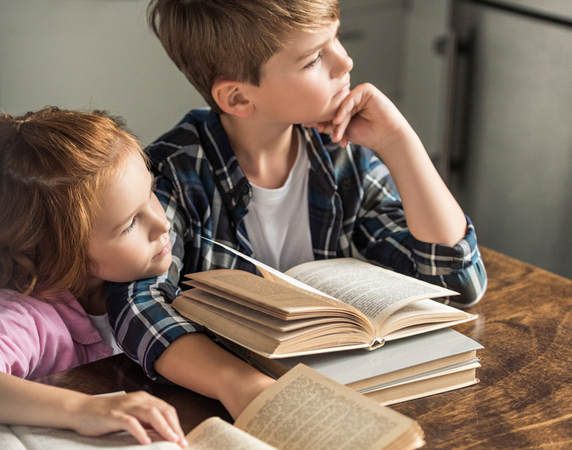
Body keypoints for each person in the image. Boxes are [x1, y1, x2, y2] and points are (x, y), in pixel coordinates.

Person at [106, 0, 488, 419]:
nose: (345, 61)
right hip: (232, 404)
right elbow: (137, 304)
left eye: (337, 37)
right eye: (313, 58)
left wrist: (399, 142)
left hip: (354, 390)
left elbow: (457, 281)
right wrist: (236, 383)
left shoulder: (342, 157)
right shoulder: (174, 172)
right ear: (237, 97)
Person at [0, 107, 188, 448]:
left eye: (151, 194)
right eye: (131, 223)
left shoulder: (136, 277)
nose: (163, 224)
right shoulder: (22, 313)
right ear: (59, 252)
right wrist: (83, 409)